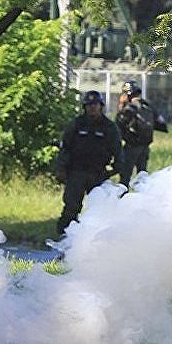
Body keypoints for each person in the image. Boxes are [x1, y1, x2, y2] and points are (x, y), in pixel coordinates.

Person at [54, 90, 124, 235]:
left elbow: (117, 151)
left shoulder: (109, 127)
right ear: (84, 107)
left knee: (98, 208)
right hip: (76, 172)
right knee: (71, 207)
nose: (92, 108)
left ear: (101, 106)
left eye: (95, 105)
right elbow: (65, 147)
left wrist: (113, 170)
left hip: (98, 173)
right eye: (89, 105)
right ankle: (64, 237)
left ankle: (94, 238)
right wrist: (60, 168)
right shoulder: (76, 124)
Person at [114, 80, 166, 187]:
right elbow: (161, 123)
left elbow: (118, 125)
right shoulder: (148, 105)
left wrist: (121, 108)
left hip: (131, 146)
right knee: (142, 175)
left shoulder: (129, 108)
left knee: (125, 176)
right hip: (145, 147)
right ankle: (143, 199)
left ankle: (122, 199)